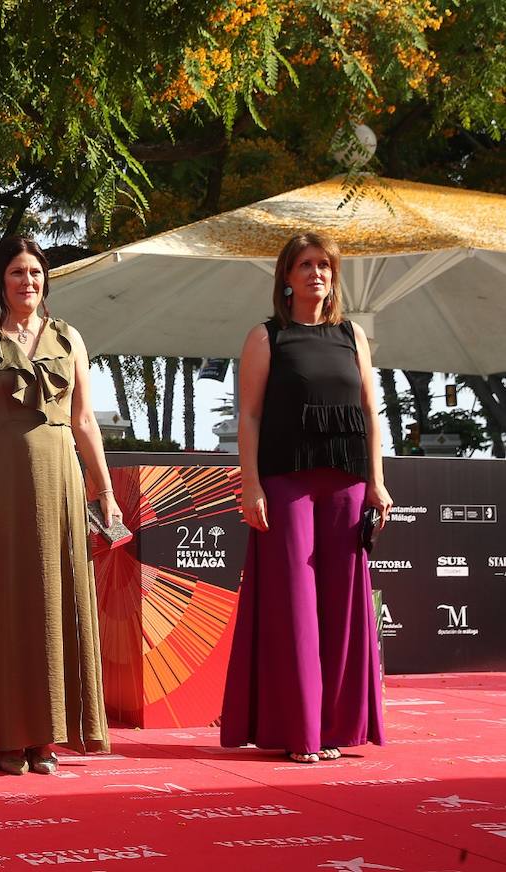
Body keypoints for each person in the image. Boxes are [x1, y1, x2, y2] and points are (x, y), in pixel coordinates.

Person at [0, 235, 114, 775]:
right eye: (17, 272)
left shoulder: (70, 339)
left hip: (61, 483)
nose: (28, 282)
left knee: (54, 604)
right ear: (1, 280)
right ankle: (7, 737)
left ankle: (48, 737)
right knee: (4, 607)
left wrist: (103, 491)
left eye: (36, 272)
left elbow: (86, 420)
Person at [221, 232, 391, 763]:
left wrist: (378, 482)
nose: (317, 273)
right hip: (285, 482)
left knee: (342, 608)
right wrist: (250, 484)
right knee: (294, 606)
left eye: (324, 265)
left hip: (348, 482)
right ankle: (301, 733)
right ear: (287, 277)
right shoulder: (266, 337)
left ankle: (337, 728)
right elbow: (247, 416)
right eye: (306, 265)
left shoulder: (352, 336)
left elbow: (368, 413)